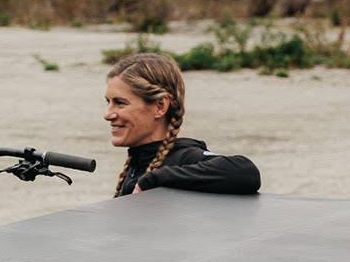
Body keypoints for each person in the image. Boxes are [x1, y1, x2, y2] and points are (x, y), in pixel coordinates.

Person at [104, 52, 260, 196]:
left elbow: (245, 172)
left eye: (120, 103)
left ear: (160, 106)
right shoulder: (138, 163)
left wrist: (155, 179)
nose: (107, 115)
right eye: (108, 102)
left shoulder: (184, 157)